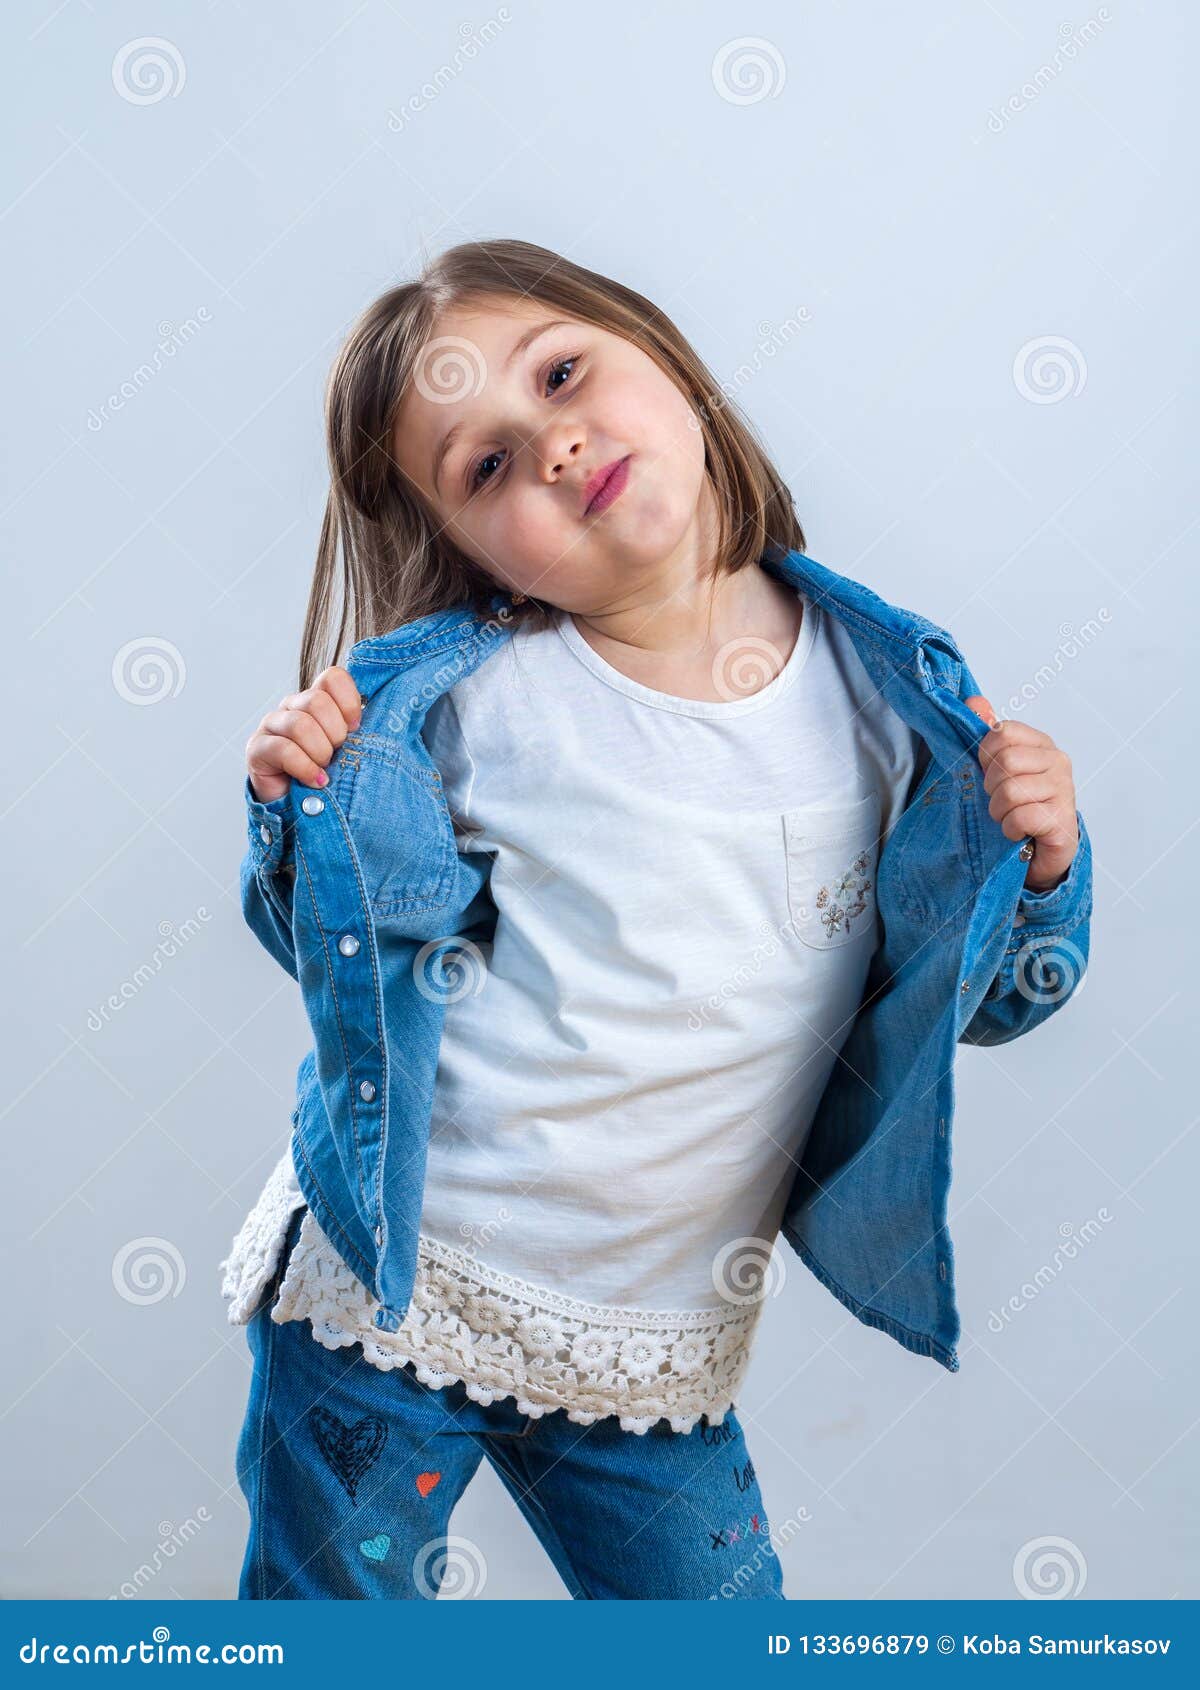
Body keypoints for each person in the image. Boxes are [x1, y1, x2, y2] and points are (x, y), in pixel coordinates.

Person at [221, 238, 1089, 1601]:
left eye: (562, 374)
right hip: (400, 1295)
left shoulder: (888, 705)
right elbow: (345, 956)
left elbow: (984, 997)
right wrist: (299, 808)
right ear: (465, 551)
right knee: (342, 1628)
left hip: (649, 1337)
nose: (552, 447)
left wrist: (1042, 871)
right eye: (486, 467)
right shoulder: (475, 706)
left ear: (669, 361)